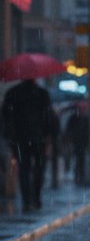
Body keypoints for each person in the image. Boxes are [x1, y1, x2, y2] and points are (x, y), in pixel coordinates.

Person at [1, 77, 54, 211]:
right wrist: (48, 135)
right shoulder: (42, 94)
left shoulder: (12, 94)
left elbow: (6, 117)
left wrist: (10, 135)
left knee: (24, 169)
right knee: (39, 169)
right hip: (39, 139)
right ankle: (35, 198)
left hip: (19, 139)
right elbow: (49, 117)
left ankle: (26, 200)